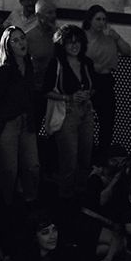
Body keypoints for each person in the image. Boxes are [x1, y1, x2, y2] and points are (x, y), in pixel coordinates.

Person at [0, 25, 41, 203]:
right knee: (9, 171)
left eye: (22, 38)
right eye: (15, 40)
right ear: (8, 46)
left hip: (25, 121)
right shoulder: (2, 72)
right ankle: (6, 205)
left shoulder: (28, 65)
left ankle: (30, 201)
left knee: (33, 166)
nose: (21, 42)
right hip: (6, 124)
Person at [45, 23, 99, 198]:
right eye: (70, 42)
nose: (74, 46)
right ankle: (66, 198)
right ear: (62, 45)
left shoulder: (86, 63)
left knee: (85, 156)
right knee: (69, 159)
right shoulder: (56, 64)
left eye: (77, 42)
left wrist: (87, 94)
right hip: (66, 113)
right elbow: (46, 90)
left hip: (86, 112)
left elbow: (95, 87)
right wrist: (68, 97)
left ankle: (81, 194)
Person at [82, 5, 131, 156]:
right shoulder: (83, 37)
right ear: (90, 20)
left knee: (107, 122)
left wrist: (117, 37)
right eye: (98, 19)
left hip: (106, 80)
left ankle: (103, 155)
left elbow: (127, 51)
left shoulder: (109, 37)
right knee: (88, 122)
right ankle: (87, 155)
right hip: (89, 81)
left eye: (104, 19)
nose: (101, 23)